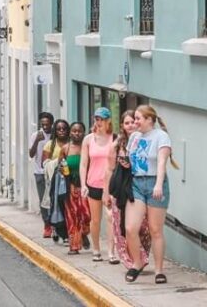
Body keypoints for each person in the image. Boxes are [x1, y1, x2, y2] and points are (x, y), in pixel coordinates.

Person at [124, 105, 178, 284]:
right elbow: (130, 160)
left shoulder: (161, 136)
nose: (135, 122)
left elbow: (162, 162)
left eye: (138, 118)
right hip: (136, 184)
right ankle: (138, 263)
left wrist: (157, 185)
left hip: (156, 182)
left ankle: (159, 270)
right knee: (131, 228)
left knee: (156, 230)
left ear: (149, 120)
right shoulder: (134, 137)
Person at [103, 110, 151, 272]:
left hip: (141, 188)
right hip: (122, 190)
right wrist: (106, 193)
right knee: (122, 225)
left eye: (133, 122)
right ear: (122, 126)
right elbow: (109, 170)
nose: (131, 125)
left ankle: (141, 256)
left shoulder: (146, 141)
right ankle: (133, 261)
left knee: (144, 227)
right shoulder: (117, 145)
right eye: (127, 123)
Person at [80, 107, 118, 264]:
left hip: (110, 185)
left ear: (109, 120)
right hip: (93, 183)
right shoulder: (88, 139)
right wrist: (83, 184)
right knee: (95, 220)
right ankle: (96, 249)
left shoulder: (115, 139)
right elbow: (83, 164)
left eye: (102, 119)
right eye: (96, 119)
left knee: (111, 218)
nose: (99, 122)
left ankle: (111, 252)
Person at [61, 122, 91, 254]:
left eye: (79, 131)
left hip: (86, 186)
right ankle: (74, 246)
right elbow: (60, 166)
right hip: (71, 186)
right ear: (70, 132)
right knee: (72, 216)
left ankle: (84, 233)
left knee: (86, 215)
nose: (76, 133)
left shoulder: (88, 147)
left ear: (83, 133)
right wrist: (63, 170)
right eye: (74, 131)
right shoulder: (66, 149)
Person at [42, 119, 70, 242]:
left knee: (67, 205)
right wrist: (57, 162)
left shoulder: (71, 143)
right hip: (55, 180)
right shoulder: (50, 145)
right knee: (56, 205)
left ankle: (66, 233)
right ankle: (56, 228)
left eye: (64, 128)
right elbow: (45, 163)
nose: (62, 131)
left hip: (68, 179)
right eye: (59, 129)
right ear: (55, 131)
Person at [29, 112, 54, 237]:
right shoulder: (36, 135)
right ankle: (47, 225)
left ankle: (55, 224)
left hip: (53, 172)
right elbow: (31, 154)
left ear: (51, 124)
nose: (45, 127)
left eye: (47, 124)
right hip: (39, 172)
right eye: (42, 124)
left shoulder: (55, 135)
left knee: (54, 198)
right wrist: (37, 141)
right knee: (43, 200)